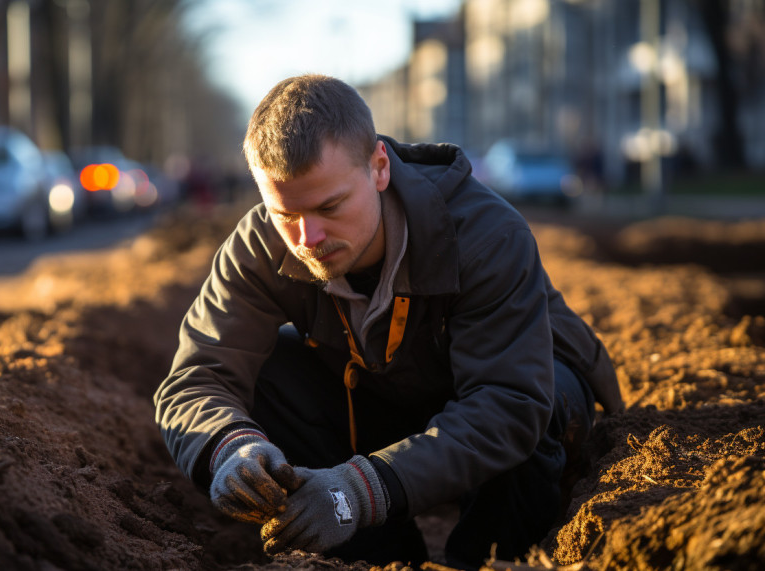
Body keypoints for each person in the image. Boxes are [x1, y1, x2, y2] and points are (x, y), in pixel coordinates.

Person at [154, 75, 624, 569]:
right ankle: (374, 559)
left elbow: (507, 404)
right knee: (273, 370)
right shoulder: (259, 247)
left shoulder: (486, 235)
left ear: (379, 168)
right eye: (284, 214)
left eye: (329, 206)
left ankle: (486, 558)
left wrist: (360, 489)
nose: (308, 237)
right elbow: (195, 379)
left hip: (519, 395)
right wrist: (232, 449)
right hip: (390, 395)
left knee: (539, 402)